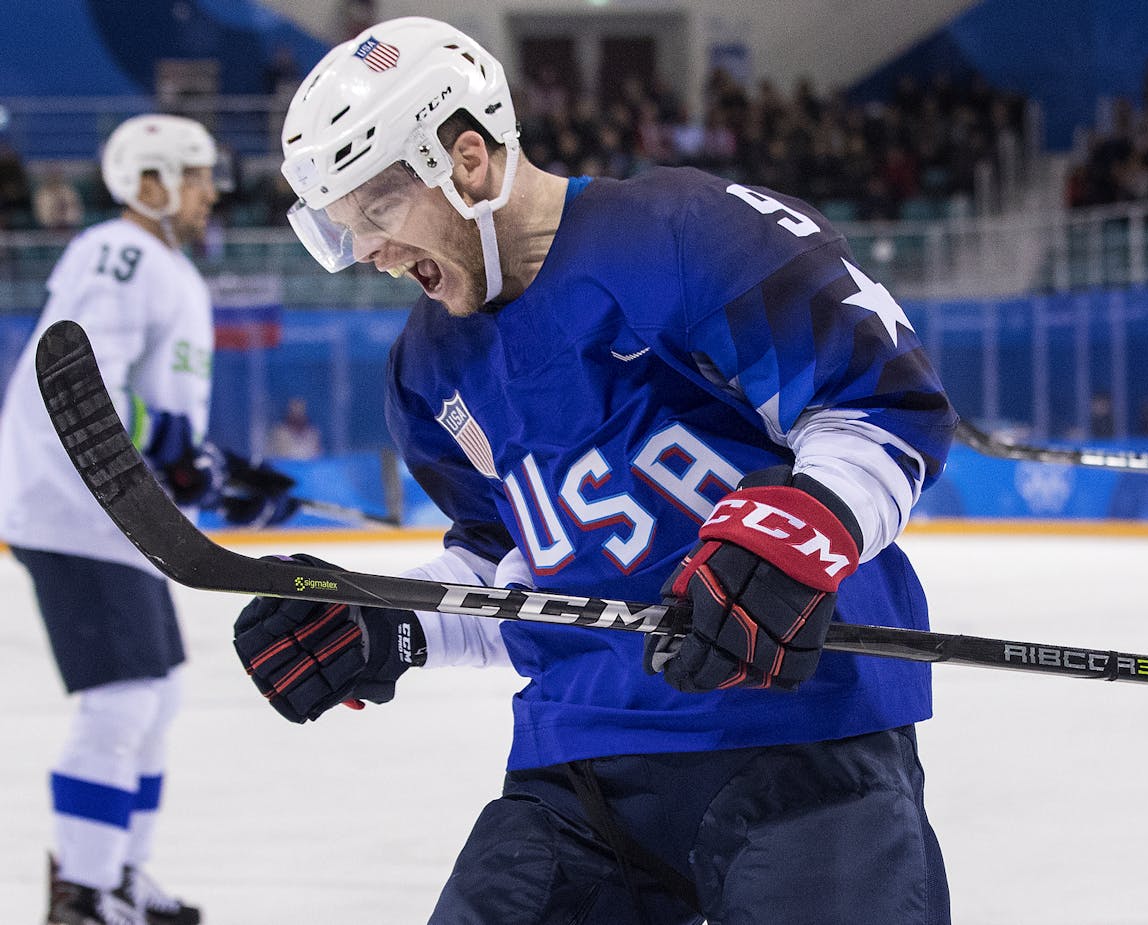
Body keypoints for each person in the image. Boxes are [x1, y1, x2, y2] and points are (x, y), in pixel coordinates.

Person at [232, 16, 957, 924]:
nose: (367, 251)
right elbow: (512, 576)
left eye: (376, 211)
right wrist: (387, 619)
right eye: (343, 229)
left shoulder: (685, 234)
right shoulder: (426, 373)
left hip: (803, 735)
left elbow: (883, 404)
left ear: (467, 160)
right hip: (581, 769)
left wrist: (794, 535)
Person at [0, 113, 299, 925]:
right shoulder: (117, 252)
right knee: (124, 699)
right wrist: (175, 450)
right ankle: (84, 893)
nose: (211, 192)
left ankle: (120, 876)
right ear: (149, 182)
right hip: (74, 510)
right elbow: (75, 380)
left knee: (156, 696)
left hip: (114, 514)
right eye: (195, 176)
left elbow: (149, 412)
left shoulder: (163, 266)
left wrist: (214, 472)